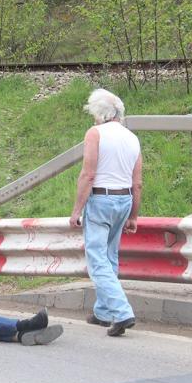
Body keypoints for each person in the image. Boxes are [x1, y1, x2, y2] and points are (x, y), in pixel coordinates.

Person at [69, 88, 143, 337]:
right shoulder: (132, 138)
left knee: (97, 260)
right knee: (110, 256)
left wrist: (77, 210)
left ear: (99, 114)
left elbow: (88, 174)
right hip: (124, 200)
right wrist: (133, 215)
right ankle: (103, 312)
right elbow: (138, 183)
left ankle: (122, 312)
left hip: (101, 200)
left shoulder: (95, 133)